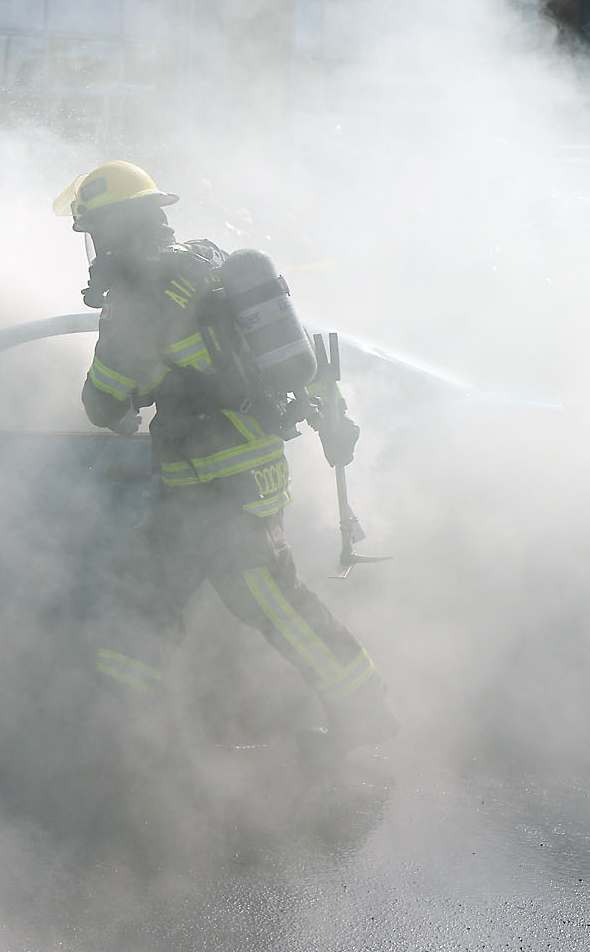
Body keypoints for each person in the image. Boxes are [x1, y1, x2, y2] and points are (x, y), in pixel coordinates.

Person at [51, 161, 397, 760]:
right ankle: (118, 723)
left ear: (111, 230)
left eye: (94, 233)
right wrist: (331, 415)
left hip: (222, 483)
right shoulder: (208, 264)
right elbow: (298, 352)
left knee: (270, 603)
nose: (92, 248)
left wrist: (124, 390)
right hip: (217, 478)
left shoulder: (141, 299)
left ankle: (363, 708)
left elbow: (102, 400)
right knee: (148, 589)